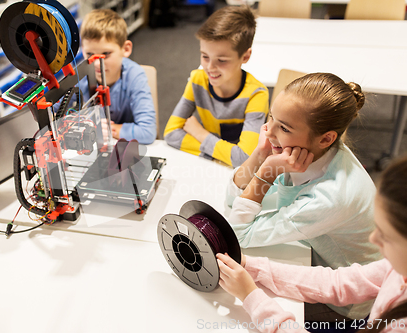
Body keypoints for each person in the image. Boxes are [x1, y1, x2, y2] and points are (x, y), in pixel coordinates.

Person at [226, 72, 382, 323]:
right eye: (271, 119)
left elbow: (238, 235)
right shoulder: (314, 152)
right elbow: (234, 200)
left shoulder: (329, 197)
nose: (268, 132)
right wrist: (259, 154)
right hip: (315, 261)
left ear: (326, 138)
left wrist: (267, 172)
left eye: (284, 127)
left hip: (345, 307)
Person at [217, 154, 407, 333]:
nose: (373, 239)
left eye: (386, 235)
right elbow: (338, 283)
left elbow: (239, 229)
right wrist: (253, 267)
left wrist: (252, 298)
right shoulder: (395, 269)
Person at [163, 5, 269, 167]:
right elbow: (170, 134)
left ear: (245, 56)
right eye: (205, 56)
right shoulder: (197, 80)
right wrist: (221, 155)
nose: (210, 68)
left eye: (222, 60)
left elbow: (245, 159)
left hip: (237, 177)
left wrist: (200, 134)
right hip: (210, 166)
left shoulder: (256, 94)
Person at [78, 9, 156, 145]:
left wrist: (106, 129)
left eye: (106, 53)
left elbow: (147, 132)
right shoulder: (79, 77)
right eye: (89, 54)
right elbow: (56, 119)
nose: (97, 63)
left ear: (126, 49)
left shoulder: (135, 75)